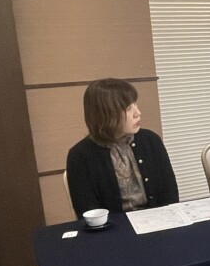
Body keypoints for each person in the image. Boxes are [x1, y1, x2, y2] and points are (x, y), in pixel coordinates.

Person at [66, 78, 178, 217]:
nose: (138, 113)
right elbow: (89, 211)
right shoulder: (80, 156)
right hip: (113, 228)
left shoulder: (151, 141)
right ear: (106, 114)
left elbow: (170, 194)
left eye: (135, 104)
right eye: (128, 108)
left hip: (159, 222)